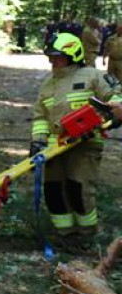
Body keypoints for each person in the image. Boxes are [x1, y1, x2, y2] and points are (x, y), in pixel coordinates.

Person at [30, 33, 121, 244]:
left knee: (78, 188)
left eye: (57, 56)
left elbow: (115, 93)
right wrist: (37, 141)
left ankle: (86, 236)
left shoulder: (92, 75)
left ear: (72, 55)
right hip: (55, 147)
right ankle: (64, 234)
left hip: (85, 144)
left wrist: (116, 109)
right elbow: (41, 117)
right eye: (50, 56)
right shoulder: (48, 84)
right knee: (53, 191)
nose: (52, 61)